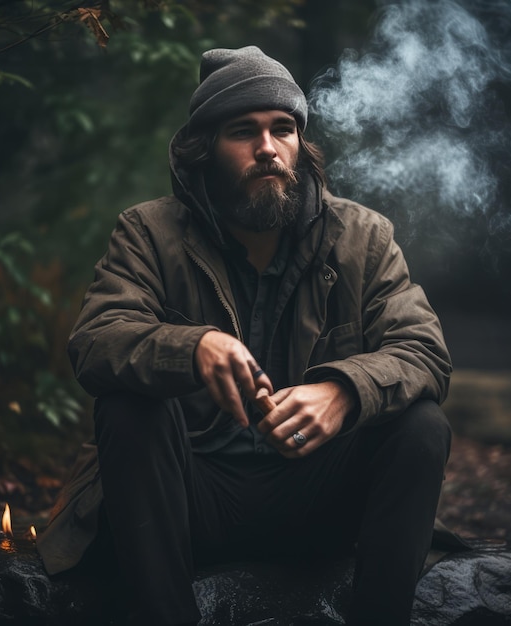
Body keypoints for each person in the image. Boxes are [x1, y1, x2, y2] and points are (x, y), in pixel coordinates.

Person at [37, 46, 454, 625]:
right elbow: (96, 340)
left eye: (282, 130)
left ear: (300, 146)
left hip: (319, 498)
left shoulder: (363, 236)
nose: (267, 149)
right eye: (243, 132)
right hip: (190, 500)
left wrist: (344, 391)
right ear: (204, 149)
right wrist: (194, 347)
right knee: (128, 408)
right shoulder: (148, 232)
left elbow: (424, 351)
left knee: (423, 425)